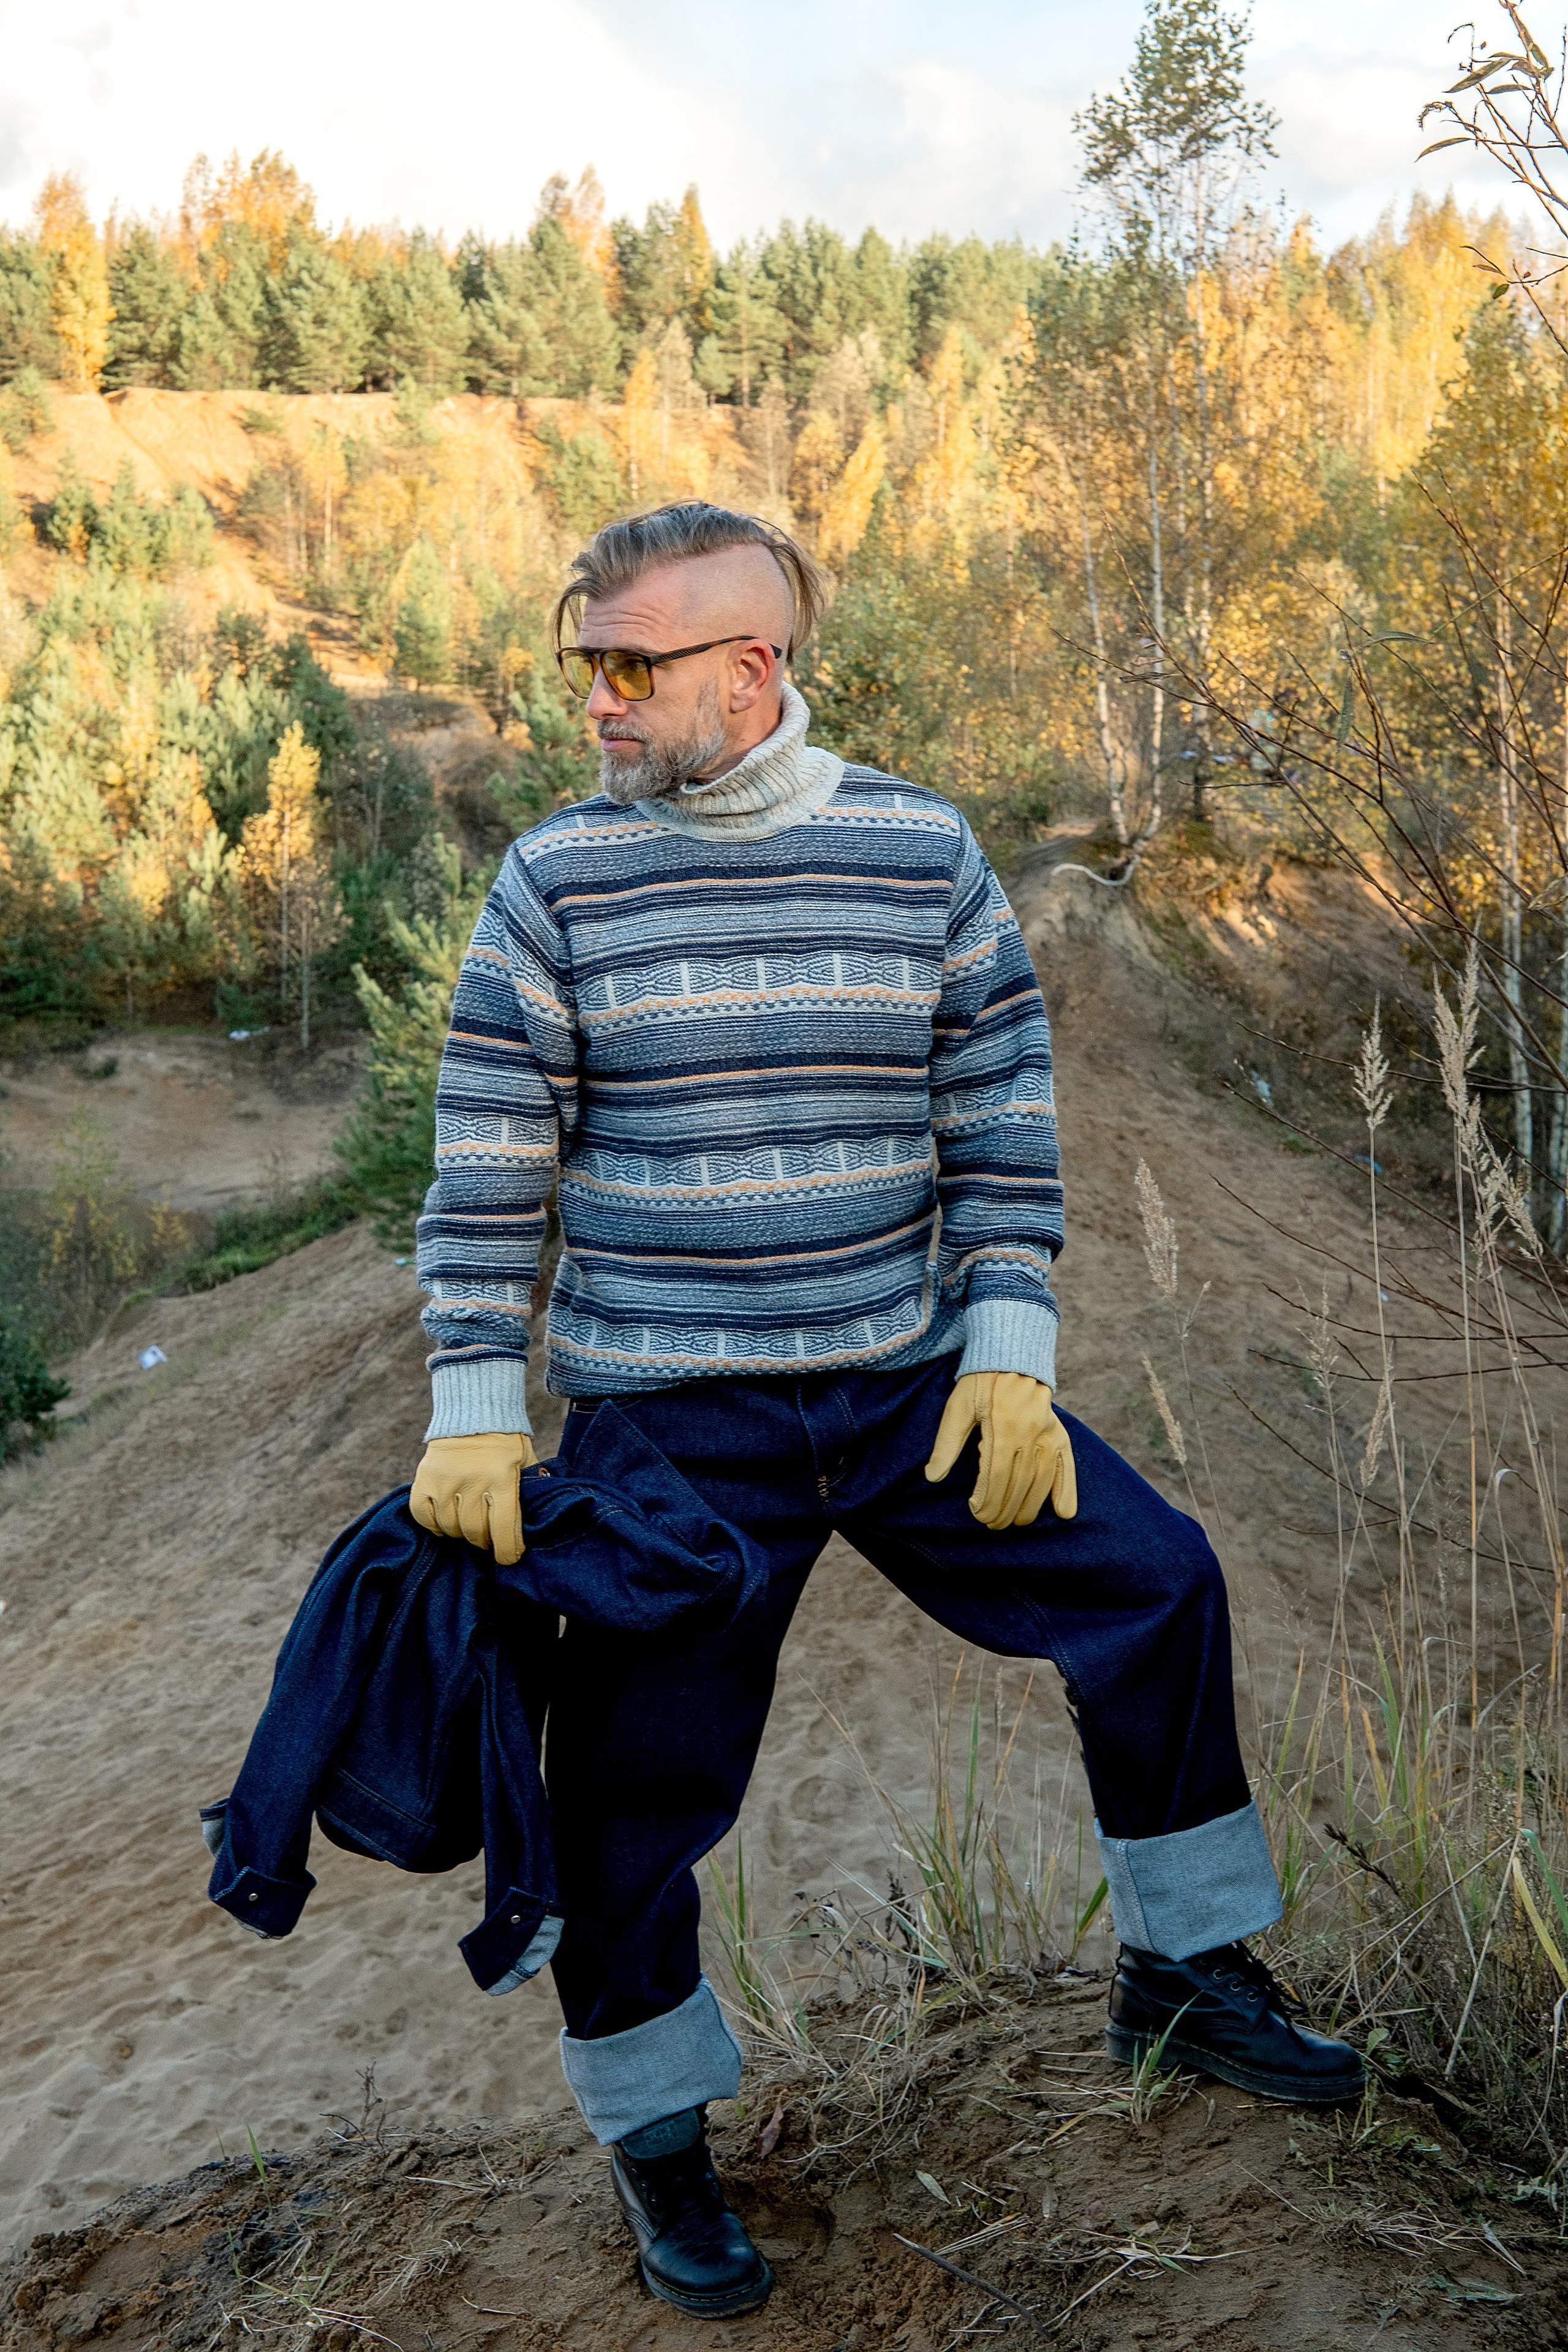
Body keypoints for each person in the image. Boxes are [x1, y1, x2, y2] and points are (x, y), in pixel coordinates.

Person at [409, 502, 1362, 2321]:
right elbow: (486, 1163)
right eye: (579, 665)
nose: (594, 703)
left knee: (1159, 1586)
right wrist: (475, 1405)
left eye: (631, 667)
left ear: (752, 668)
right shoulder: (554, 881)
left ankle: (1186, 1971)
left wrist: (1008, 1343)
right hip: (670, 1426)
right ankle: (659, 2141)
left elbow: (999, 1105)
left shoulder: (918, 849)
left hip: (911, 1382)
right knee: (626, 1793)